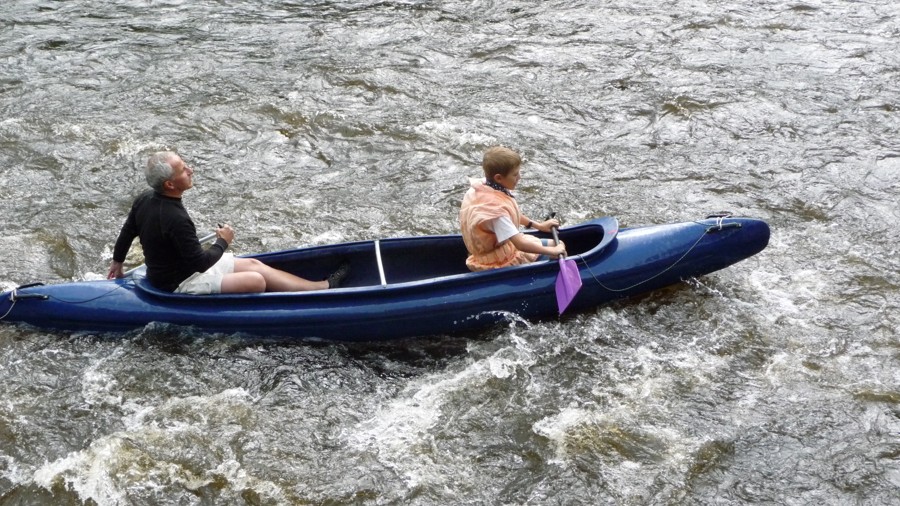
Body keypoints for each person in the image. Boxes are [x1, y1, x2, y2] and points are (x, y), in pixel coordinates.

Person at [107, 151, 349, 294]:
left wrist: (117, 262)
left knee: (254, 264)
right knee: (256, 281)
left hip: (181, 268)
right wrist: (223, 242)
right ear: (169, 185)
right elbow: (200, 263)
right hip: (179, 282)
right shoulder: (176, 218)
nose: (191, 170)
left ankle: (320, 287)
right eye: (183, 170)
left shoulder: (145, 198)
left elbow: (128, 231)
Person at [459, 146, 566, 271]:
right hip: (499, 261)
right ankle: (551, 276)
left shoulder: (483, 187)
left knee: (557, 244)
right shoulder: (495, 214)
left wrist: (539, 226)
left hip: (503, 249)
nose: (519, 177)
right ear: (498, 178)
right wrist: (553, 251)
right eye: (515, 174)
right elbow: (520, 244)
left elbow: (511, 214)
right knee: (559, 248)